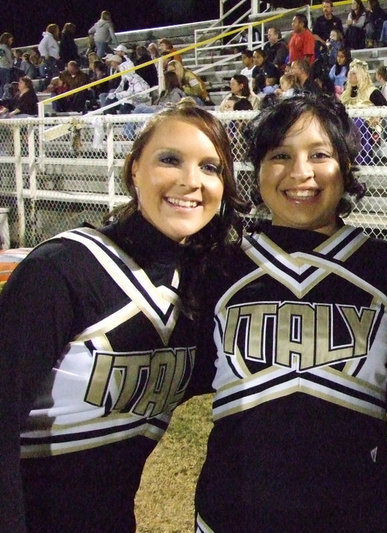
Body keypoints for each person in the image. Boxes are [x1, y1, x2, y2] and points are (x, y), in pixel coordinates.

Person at [0, 101, 246, 532]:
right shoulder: (62, 270)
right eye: (170, 160)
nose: (191, 181)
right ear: (134, 169)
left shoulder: (198, 286)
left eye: (211, 168)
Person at [193, 92, 387, 532]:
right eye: (280, 155)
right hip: (235, 510)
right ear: (257, 170)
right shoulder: (222, 266)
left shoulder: (383, 266)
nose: (300, 173)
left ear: (346, 166)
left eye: (320, 154)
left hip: (355, 512)